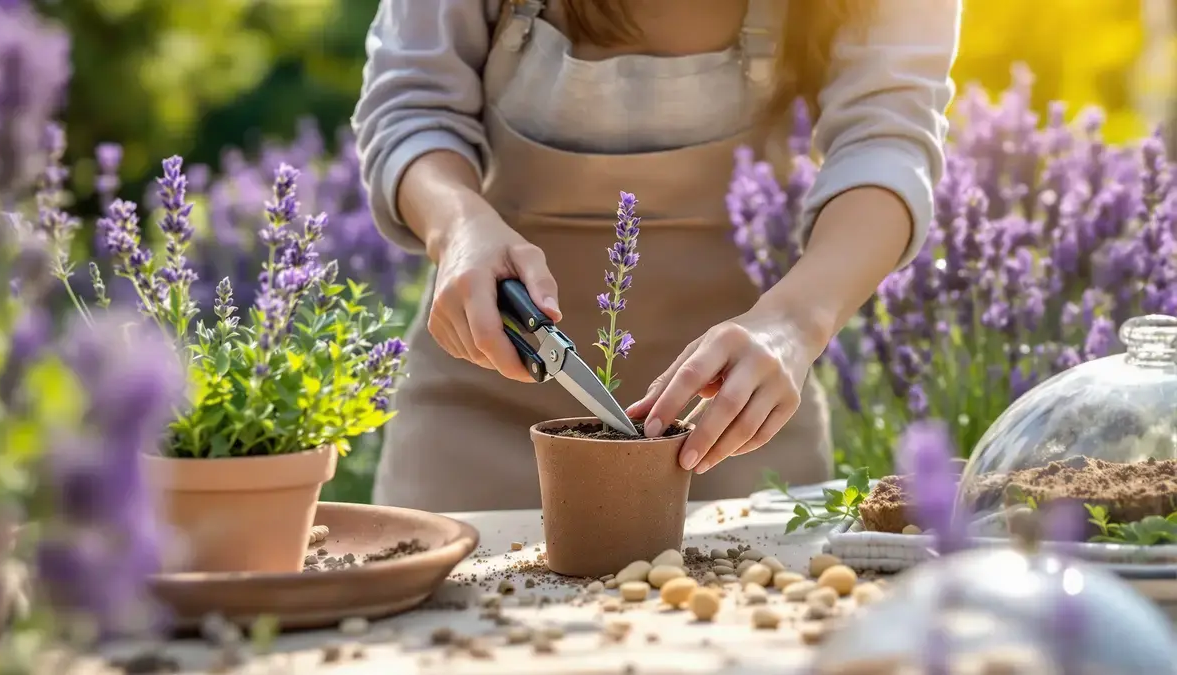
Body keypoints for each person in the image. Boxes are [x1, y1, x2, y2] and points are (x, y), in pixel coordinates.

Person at [353, 0, 960, 512]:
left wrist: (794, 323)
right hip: (477, 413)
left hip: (732, 422)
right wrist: (459, 226)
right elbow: (412, 105)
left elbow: (887, 137)